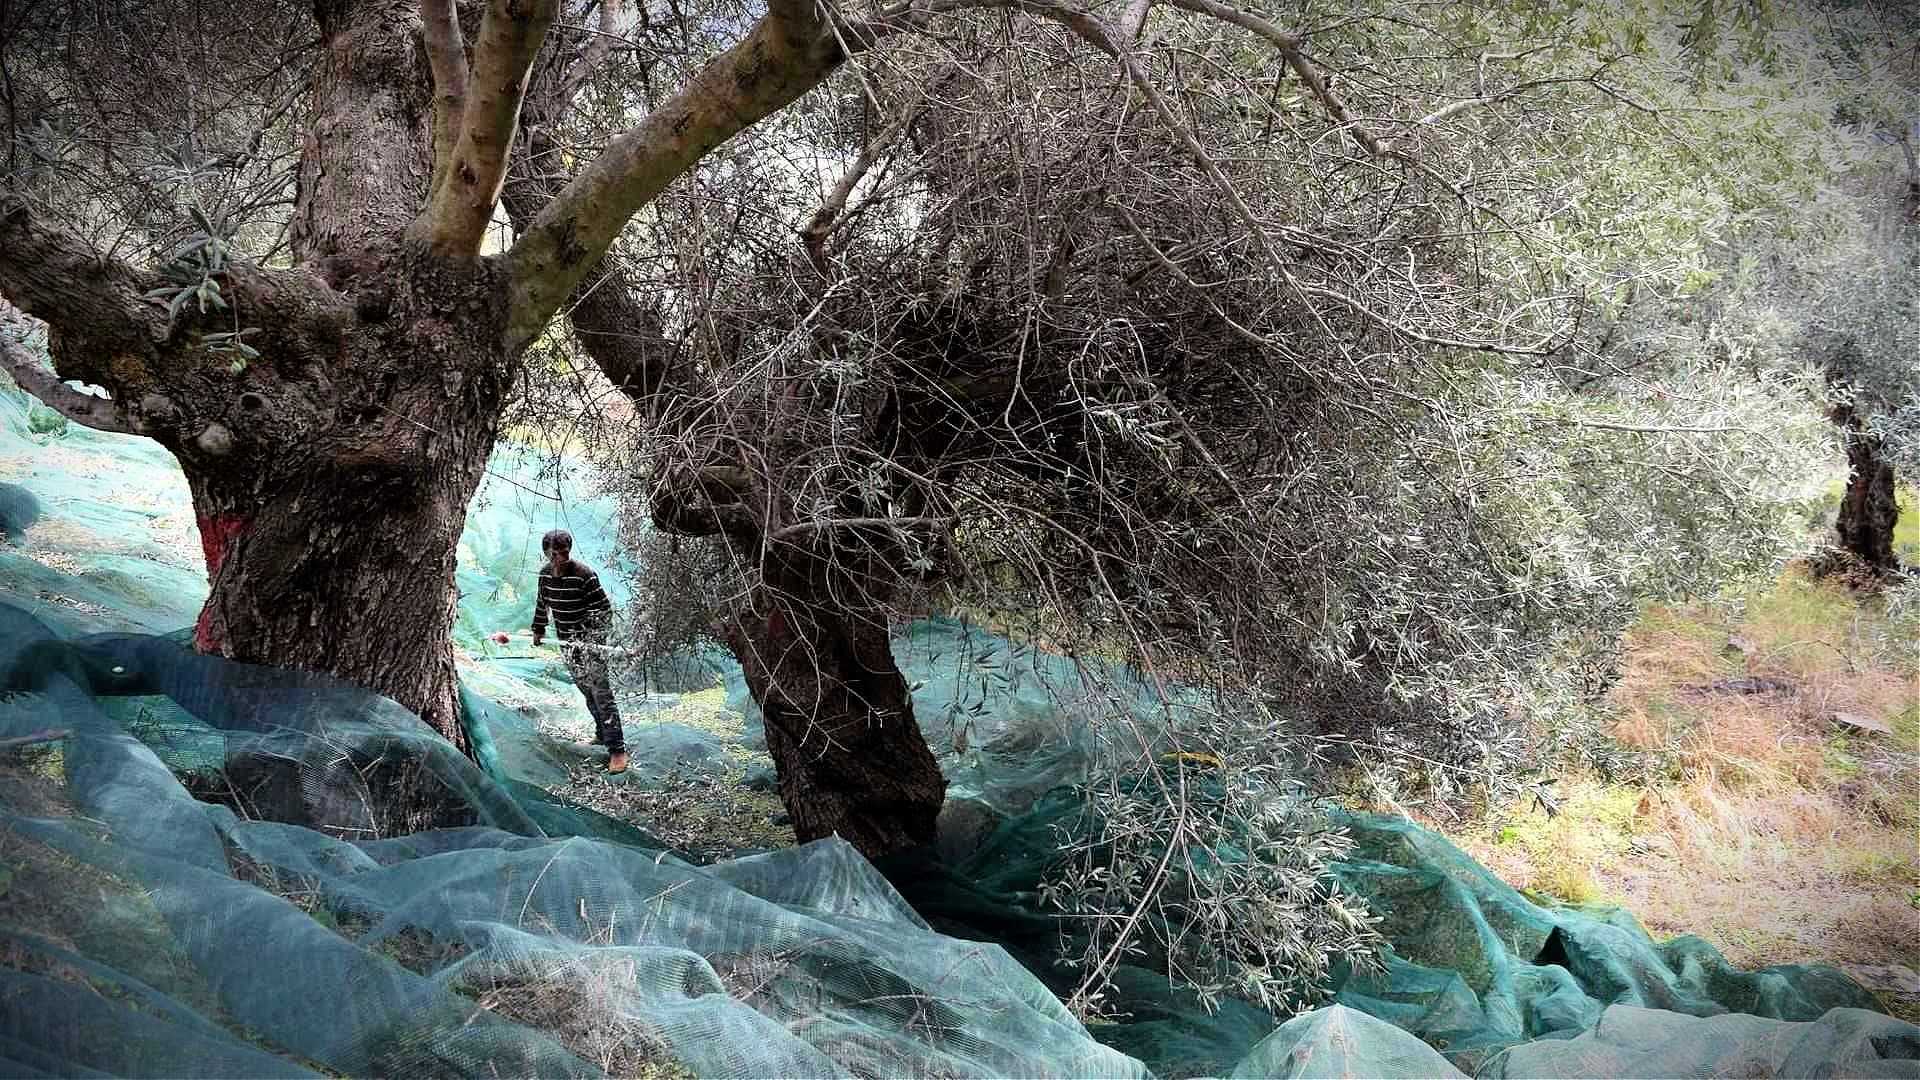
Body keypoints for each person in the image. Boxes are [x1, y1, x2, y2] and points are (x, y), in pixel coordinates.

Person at [531, 529, 627, 774]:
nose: (560, 559)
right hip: (566, 641)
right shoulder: (544, 575)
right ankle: (601, 733)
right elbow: (542, 603)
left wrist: (590, 638)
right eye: (554, 554)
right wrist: (538, 629)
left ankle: (617, 750)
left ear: (569, 551)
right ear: (546, 553)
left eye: (564, 553)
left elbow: (604, 611)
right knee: (586, 690)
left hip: (588, 643)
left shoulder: (585, 575)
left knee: (601, 694)